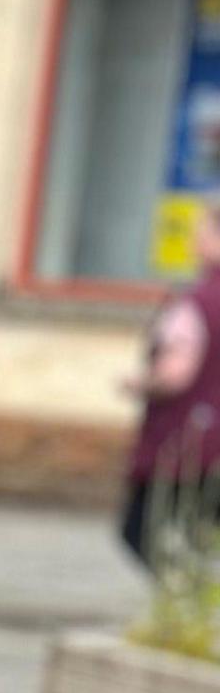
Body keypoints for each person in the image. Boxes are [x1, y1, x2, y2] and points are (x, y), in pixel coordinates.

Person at [123, 193, 220, 576]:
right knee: (201, 530)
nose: (195, 241)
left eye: (203, 232)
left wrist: (140, 383)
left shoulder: (197, 302)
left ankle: (186, 604)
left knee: (140, 527)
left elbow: (174, 374)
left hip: (188, 439)